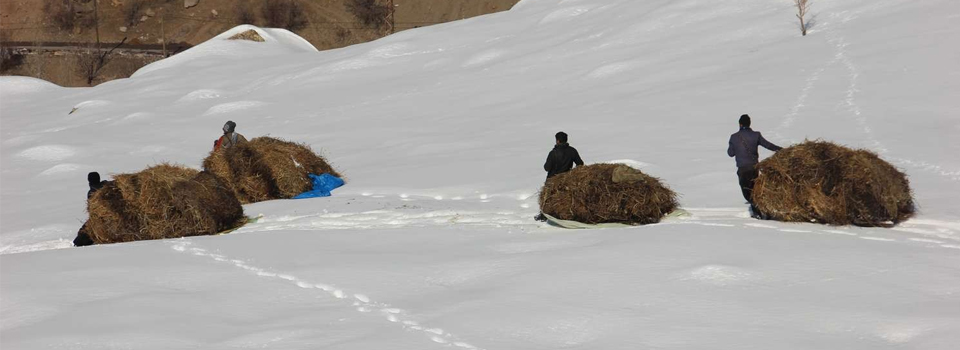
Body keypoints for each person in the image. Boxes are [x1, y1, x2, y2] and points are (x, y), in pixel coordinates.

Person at [727, 114, 782, 218]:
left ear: (740, 124)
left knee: (747, 193)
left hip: (743, 169)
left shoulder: (734, 137)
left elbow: (730, 153)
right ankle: (759, 211)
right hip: (754, 168)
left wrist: (733, 146)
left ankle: (759, 212)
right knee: (754, 190)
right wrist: (781, 150)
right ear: (749, 124)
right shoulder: (756, 135)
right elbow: (768, 145)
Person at [536, 131, 585, 221]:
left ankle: (544, 215)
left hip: (553, 179)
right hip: (567, 178)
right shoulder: (572, 151)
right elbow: (580, 164)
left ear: (557, 141)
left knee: (548, 197)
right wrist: (572, 173)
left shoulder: (553, 153)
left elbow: (546, 168)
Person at [74, 172, 107, 247]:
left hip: (100, 218)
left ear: (89, 180)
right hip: (103, 216)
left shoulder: (92, 191)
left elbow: (92, 210)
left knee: (81, 237)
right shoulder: (107, 186)